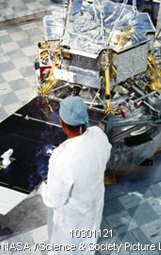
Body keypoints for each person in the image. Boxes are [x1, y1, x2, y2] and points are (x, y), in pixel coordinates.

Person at [38, 96, 111, 254]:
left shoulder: (63, 158)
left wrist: (41, 188)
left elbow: (54, 199)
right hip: (94, 203)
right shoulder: (99, 135)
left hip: (71, 218)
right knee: (87, 242)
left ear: (62, 123)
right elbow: (105, 155)